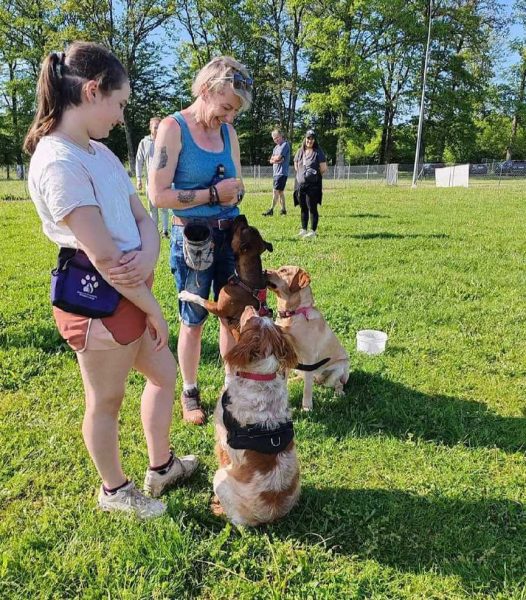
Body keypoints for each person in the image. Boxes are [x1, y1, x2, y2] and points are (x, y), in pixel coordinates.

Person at [24, 42, 198, 519]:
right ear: (93, 91)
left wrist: (149, 252)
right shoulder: (59, 160)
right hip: (96, 300)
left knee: (163, 376)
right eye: (119, 104)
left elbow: (144, 216)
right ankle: (114, 490)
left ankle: (161, 467)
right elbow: (103, 258)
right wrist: (153, 306)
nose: (122, 117)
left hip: (129, 291)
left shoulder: (98, 152)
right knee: (106, 400)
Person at [149, 56, 251, 426]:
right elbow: (158, 195)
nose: (229, 117)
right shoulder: (173, 130)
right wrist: (212, 194)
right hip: (192, 239)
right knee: (192, 320)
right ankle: (190, 391)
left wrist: (234, 191)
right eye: (226, 107)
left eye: (235, 111)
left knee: (231, 317)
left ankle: (230, 387)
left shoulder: (229, 134)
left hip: (230, 238)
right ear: (207, 89)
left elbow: (236, 188)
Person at [136, 117, 169, 238]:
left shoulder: (165, 140)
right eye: (155, 127)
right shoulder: (144, 142)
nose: (157, 130)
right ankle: (154, 231)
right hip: (150, 182)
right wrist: (139, 178)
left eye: (159, 127)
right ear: (150, 128)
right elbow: (139, 161)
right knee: (152, 207)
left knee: (164, 207)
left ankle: (165, 231)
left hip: (164, 180)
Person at [293, 129, 328, 239]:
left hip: (313, 185)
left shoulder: (318, 152)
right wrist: (301, 174)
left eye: (312, 138)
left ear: (314, 140)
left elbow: (323, 168)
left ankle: (312, 231)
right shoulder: (300, 151)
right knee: (303, 208)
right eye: (308, 138)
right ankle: (303, 229)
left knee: (312, 207)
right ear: (305, 138)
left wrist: (313, 176)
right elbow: (295, 164)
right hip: (301, 184)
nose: (310, 140)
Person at [262, 128, 290, 216]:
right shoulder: (276, 147)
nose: (276, 140)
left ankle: (271, 210)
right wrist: (276, 159)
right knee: (280, 192)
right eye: (274, 139)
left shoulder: (285, 145)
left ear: (281, 136)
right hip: (276, 173)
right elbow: (271, 160)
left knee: (275, 191)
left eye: (277, 137)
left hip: (281, 173)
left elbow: (278, 158)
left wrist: (276, 159)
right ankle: (283, 210)